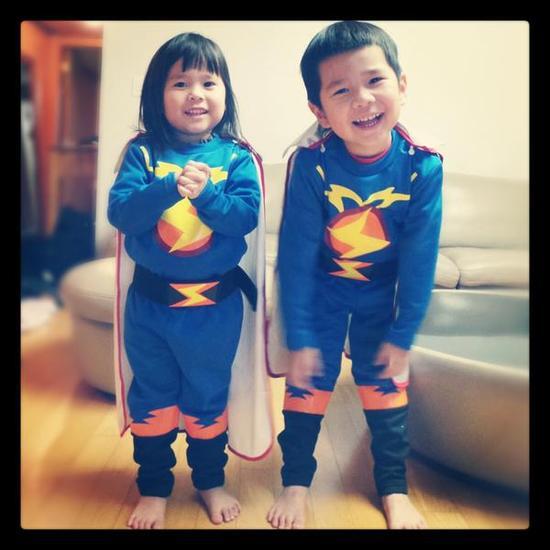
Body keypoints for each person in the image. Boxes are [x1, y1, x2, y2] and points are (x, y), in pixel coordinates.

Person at [267, 20, 443, 529]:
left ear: (402, 86)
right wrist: (301, 338)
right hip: (322, 291)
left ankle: (393, 489)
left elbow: (420, 259)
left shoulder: (422, 166)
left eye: (375, 80)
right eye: (341, 90)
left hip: (380, 295)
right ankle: (295, 484)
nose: (362, 99)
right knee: (307, 384)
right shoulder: (312, 164)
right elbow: (296, 257)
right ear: (319, 111)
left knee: (384, 385)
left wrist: (403, 334)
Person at [108, 32, 271, 529]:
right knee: (152, 398)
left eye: (208, 82)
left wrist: (207, 196)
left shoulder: (237, 158)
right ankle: (154, 487)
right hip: (149, 308)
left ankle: (209, 481)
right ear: (157, 94)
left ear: (225, 94)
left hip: (212, 312)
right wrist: (166, 188)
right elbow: (122, 214)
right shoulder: (141, 153)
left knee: (207, 398)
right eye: (180, 83)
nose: (195, 94)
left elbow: (243, 218)